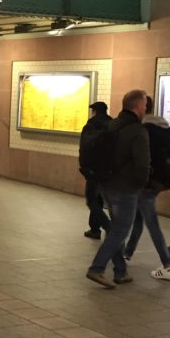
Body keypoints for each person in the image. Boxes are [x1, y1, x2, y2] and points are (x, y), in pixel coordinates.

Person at [85, 89, 150, 289]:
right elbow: (142, 164)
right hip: (125, 189)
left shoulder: (112, 125)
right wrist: (141, 185)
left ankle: (120, 272)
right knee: (120, 230)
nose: (146, 108)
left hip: (106, 185)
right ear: (138, 106)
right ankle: (97, 268)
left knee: (115, 228)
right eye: (145, 105)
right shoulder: (138, 130)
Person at [122, 95, 170, 281]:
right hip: (161, 180)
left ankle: (167, 265)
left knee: (151, 222)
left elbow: (141, 158)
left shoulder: (144, 129)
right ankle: (127, 253)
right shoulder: (166, 128)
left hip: (146, 181)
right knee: (139, 217)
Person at [79, 100, 113, 239]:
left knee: (92, 200)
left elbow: (84, 148)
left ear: (94, 111)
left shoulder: (90, 125)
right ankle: (98, 228)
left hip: (93, 170)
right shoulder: (113, 124)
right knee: (106, 200)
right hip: (109, 169)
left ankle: (104, 227)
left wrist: (84, 167)